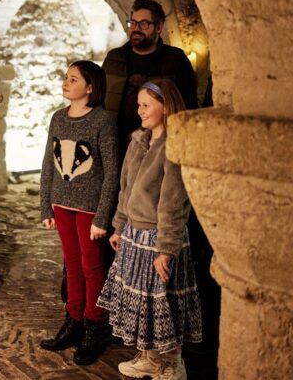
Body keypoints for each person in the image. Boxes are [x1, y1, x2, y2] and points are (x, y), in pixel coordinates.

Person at [98, 79, 202, 380]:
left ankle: (171, 364)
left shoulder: (174, 146)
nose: (139, 111)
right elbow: (125, 188)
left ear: (166, 106)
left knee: (163, 301)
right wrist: (119, 225)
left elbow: (173, 201)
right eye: (139, 105)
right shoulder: (138, 140)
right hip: (135, 233)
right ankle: (149, 358)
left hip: (159, 237)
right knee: (142, 302)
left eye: (146, 105)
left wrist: (166, 249)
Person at [38, 60, 119, 365]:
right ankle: (73, 321)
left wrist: (102, 217)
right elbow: (48, 163)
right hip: (62, 204)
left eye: (73, 79)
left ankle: (93, 326)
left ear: (90, 87)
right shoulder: (58, 118)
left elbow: (112, 173)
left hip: (89, 208)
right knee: (71, 266)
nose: (65, 82)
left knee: (92, 267)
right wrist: (46, 203)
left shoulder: (102, 122)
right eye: (65, 77)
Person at [103, 0, 198, 156]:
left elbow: (189, 106)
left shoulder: (176, 60)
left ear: (159, 27)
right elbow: (99, 100)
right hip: (115, 146)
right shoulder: (114, 59)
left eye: (144, 24)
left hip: (158, 147)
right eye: (133, 23)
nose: (136, 28)